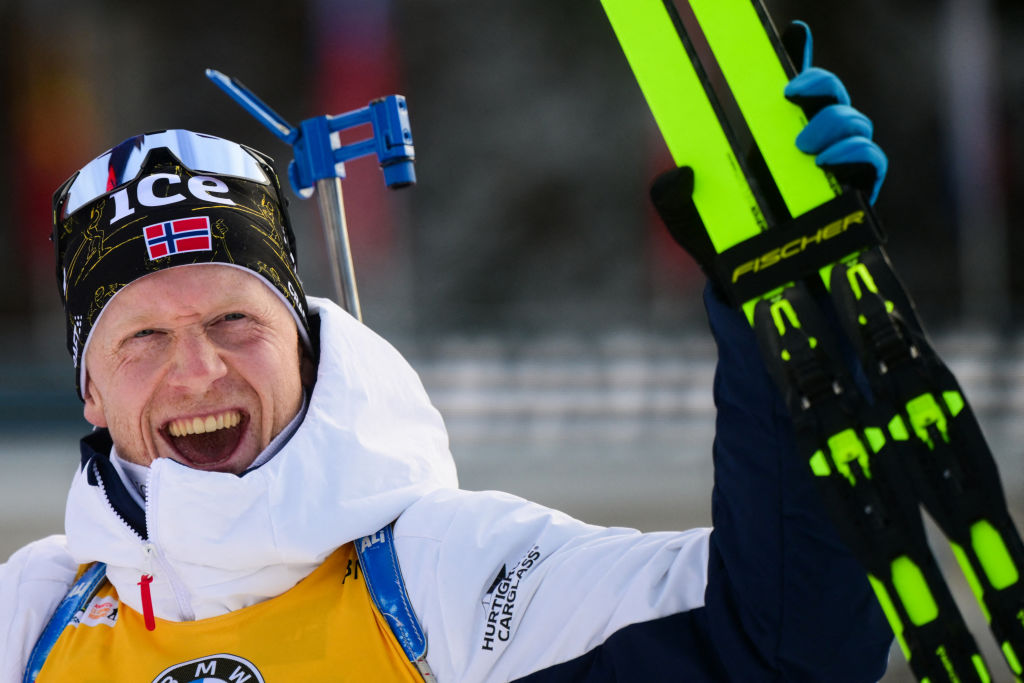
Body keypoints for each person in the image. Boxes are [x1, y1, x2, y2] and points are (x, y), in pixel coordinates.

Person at [0, 23, 894, 682]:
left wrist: (789, 304)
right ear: (90, 388)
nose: (197, 372)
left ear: (305, 342)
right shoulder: (33, 616)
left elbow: (780, 643)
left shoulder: (442, 574)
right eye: (144, 337)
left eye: (236, 322)